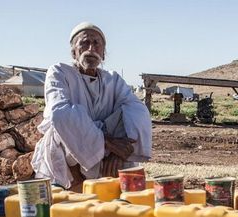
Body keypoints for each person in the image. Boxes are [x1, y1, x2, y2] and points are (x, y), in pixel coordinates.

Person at [31, 22, 152, 191]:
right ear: (73, 51)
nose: (91, 48)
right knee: (59, 128)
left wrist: (118, 151)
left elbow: (137, 110)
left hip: (110, 152)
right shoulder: (59, 72)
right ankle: (77, 186)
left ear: (103, 53)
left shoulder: (113, 79)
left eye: (96, 44)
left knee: (130, 116)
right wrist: (106, 142)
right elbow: (59, 112)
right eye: (84, 43)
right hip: (72, 153)